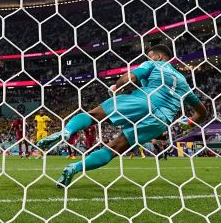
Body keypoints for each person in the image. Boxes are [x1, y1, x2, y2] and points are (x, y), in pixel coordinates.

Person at [37, 44, 207, 187]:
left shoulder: (153, 65)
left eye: (150, 56)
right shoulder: (184, 82)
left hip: (144, 100)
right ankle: (74, 168)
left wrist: (115, 88)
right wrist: (186, 124)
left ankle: (67, 131)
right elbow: (203, 112)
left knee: (94, 115)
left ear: (160, 57)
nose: (148, 59)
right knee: (114, 148)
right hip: (162, 120)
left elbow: (129, 78)